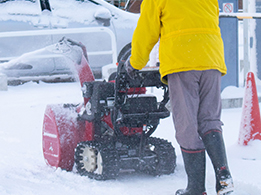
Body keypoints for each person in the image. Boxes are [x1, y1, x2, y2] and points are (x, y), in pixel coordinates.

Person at [124, 0, 234, 195]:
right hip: (211, 59)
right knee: (210, 120)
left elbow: (146, 30)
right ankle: (224, 176)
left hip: (183, 61)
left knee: (187, 125)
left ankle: (196, 188)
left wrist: (135, 62)